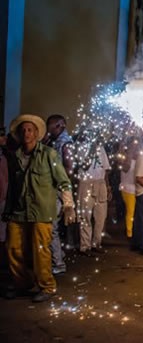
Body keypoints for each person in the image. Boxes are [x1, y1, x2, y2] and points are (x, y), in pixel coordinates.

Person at [3, 115, 74, 302]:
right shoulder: (15, 157)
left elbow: (63, 181)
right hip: (19, 211)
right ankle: (22, 283)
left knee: (40, 249)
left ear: (37, 133)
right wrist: (8, 210)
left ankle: (47, 286)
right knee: (13, 248)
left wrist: (68, 206)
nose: (26, 133)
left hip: (42, 211)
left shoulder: (49, 154)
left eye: (30, 130)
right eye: (23, 130)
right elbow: (13, 186)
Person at [45, 114, 75, 274]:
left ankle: (58, 264)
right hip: (53, 189)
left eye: (51, 125)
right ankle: (58, 255)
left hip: (58, 189)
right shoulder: (53, 141)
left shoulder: (66, 143)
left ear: (60, 125)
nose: (48, 128)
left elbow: (69, 169)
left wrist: (59, 183)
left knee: (52, 227)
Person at [75, 133, 111, 255]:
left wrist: (108, 187)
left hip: (100, 184)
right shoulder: (81, 147)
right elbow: (83, 166)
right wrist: (91, 150)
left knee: (101, 216)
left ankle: (96, 243)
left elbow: (106, 170)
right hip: (86, 183)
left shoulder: (101, 149)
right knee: (85, 216)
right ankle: (85, 246)